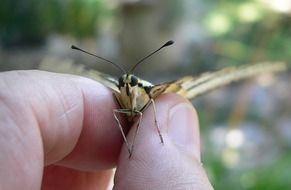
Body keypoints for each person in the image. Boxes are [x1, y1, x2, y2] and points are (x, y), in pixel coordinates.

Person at [0, 70, 213, 190]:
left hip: (145, 121)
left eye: (131, 84)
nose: (126, 88)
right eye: (123, 84)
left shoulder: (150, 94)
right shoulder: (116, 97)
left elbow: (147, 107)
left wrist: (158, 128)